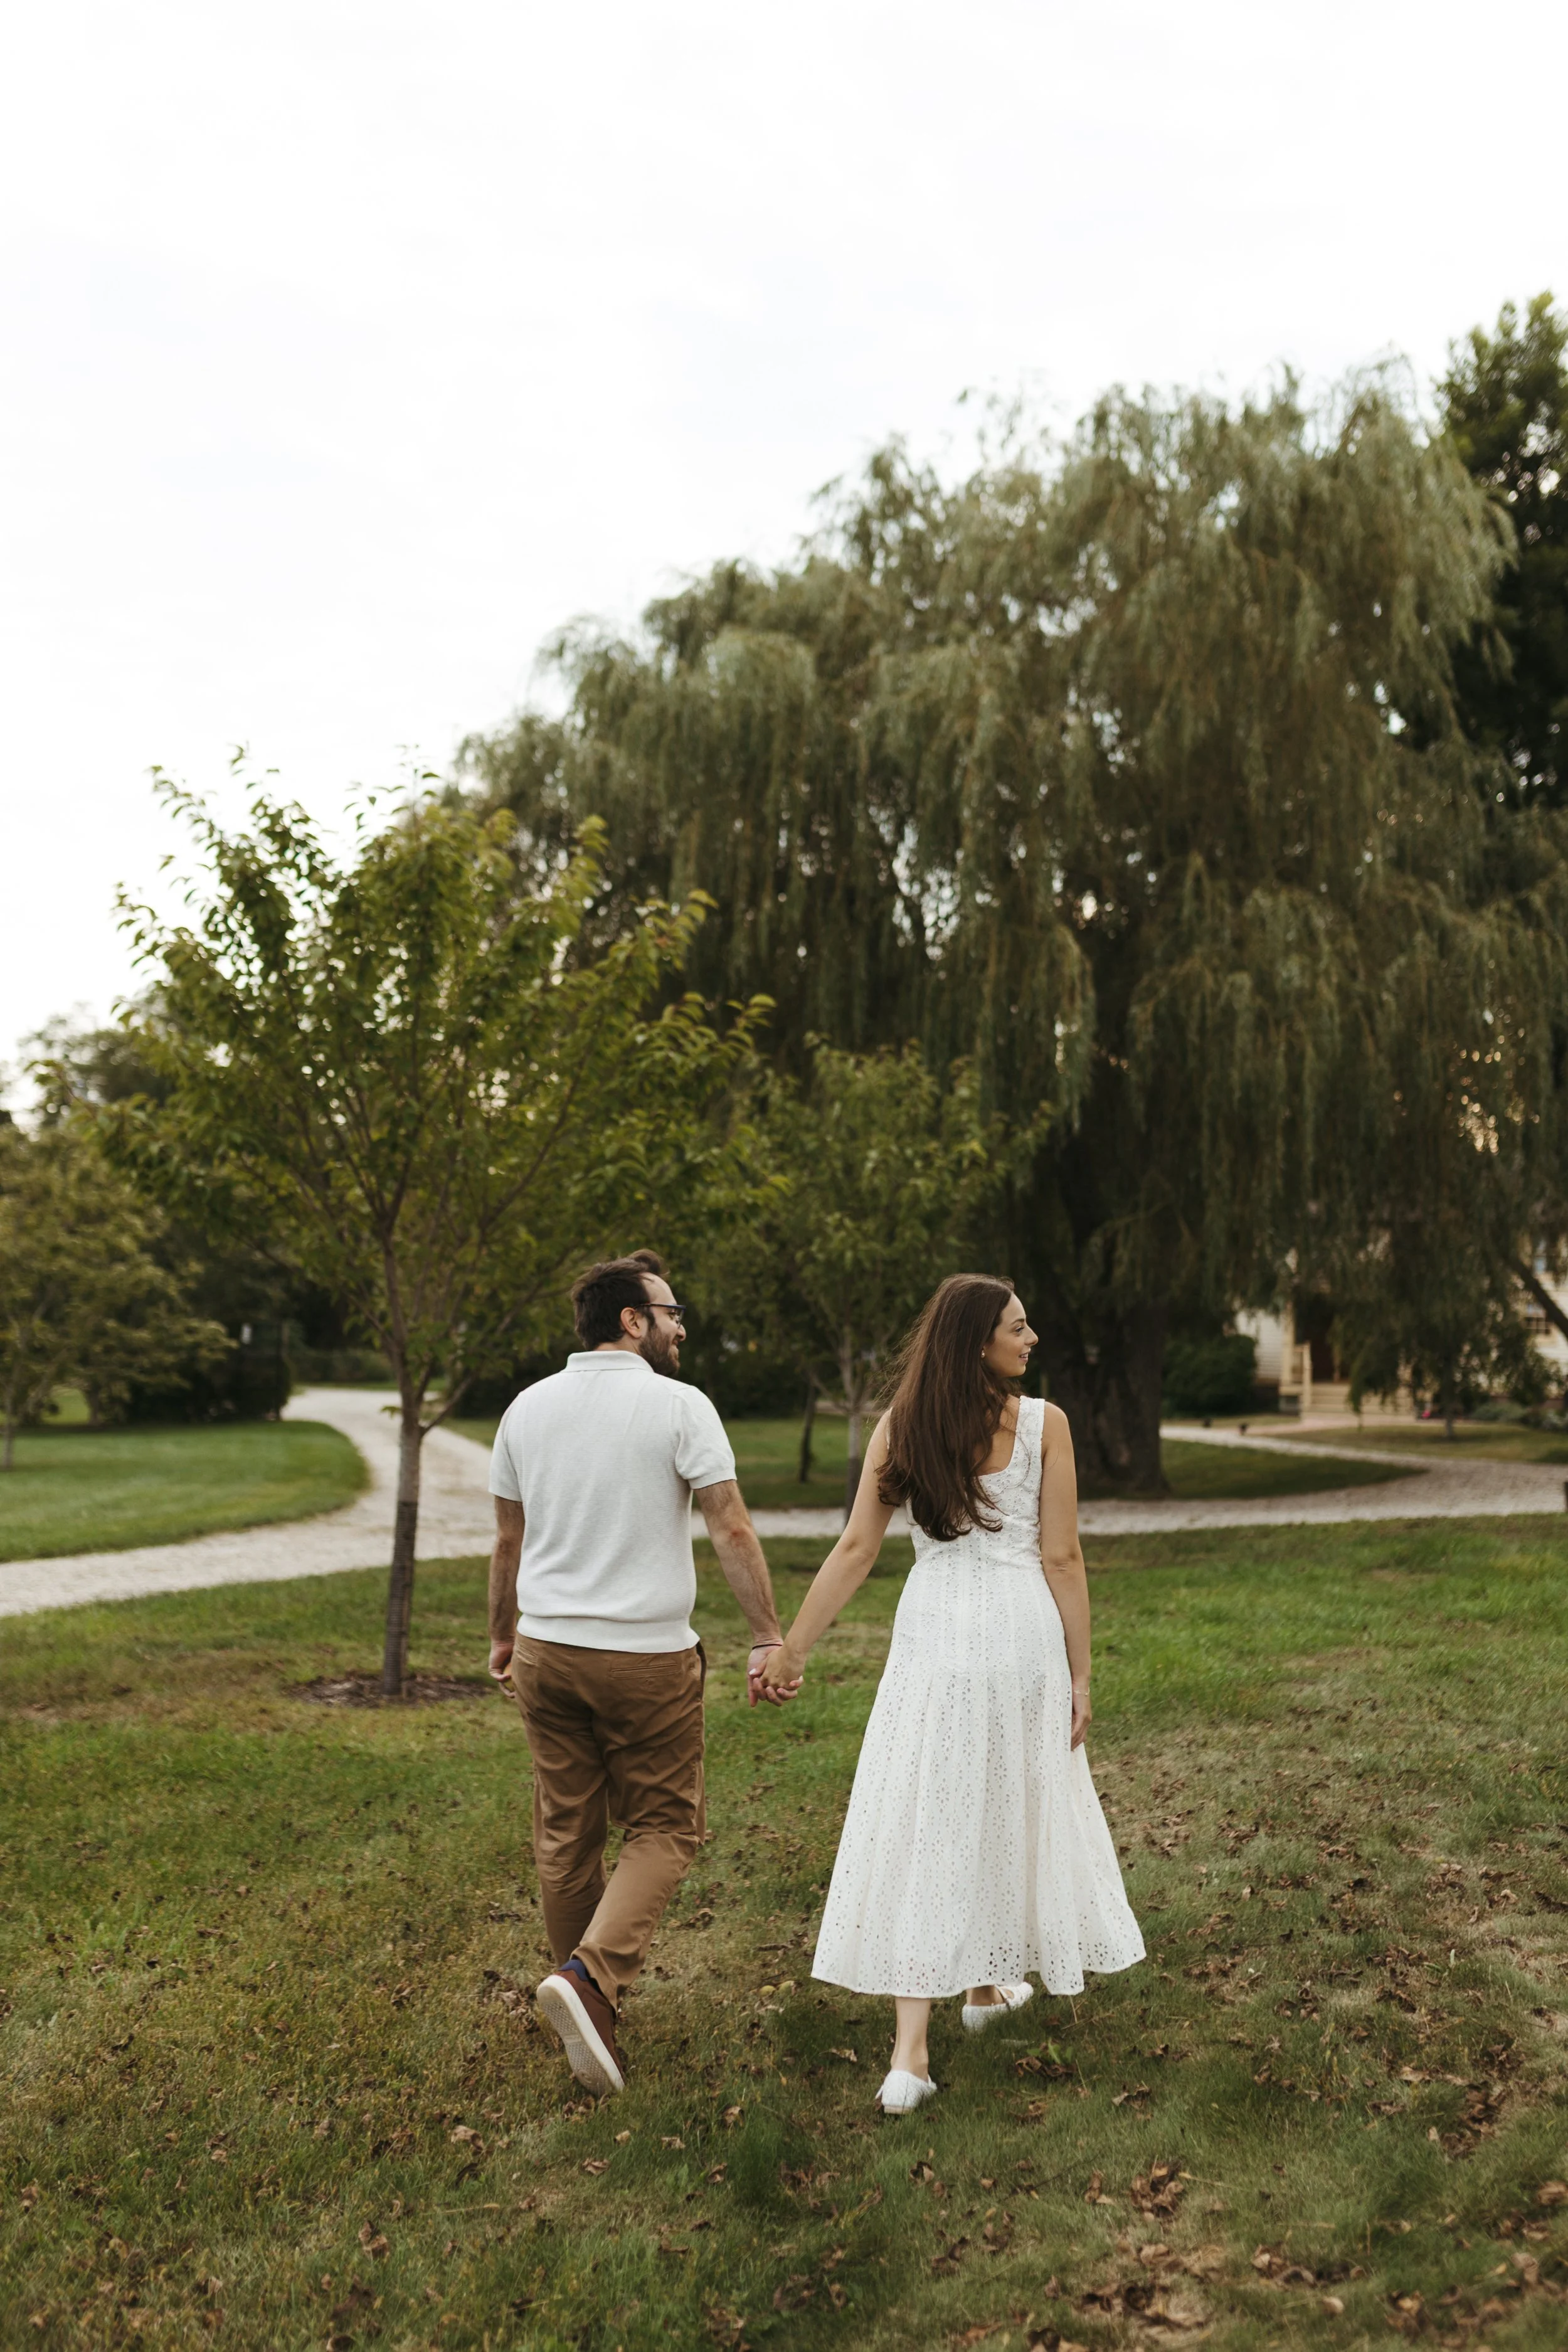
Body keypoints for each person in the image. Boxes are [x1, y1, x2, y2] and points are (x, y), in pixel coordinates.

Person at [759, 1273, 1144, 2114]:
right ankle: (969, 1996)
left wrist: (792, 1650)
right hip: (1020, 1636)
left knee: (934, 1811)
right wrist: (1082, 1673)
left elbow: (857, 1548)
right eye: (1017, 1324)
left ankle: (919, 2046)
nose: (1032, 1334)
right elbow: (1064, 1559)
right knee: (1002, 1800)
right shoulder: (1045, 1424)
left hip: (935, 1635)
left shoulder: (902, 1428)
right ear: (979, 1342)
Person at [488, 1251, 792, 2099]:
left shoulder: (525, 1408)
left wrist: (503, 1637)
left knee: (566, 1833)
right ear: (631, 1319)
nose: (681, 1325)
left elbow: (508, 1542)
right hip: (645, 1657)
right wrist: (767, 1632)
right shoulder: (679, 1405)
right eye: (670, 1310)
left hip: (546, 1650)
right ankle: (589, 1981)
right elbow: (729, 1528)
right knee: (666, 1823)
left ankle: (583, 2005)